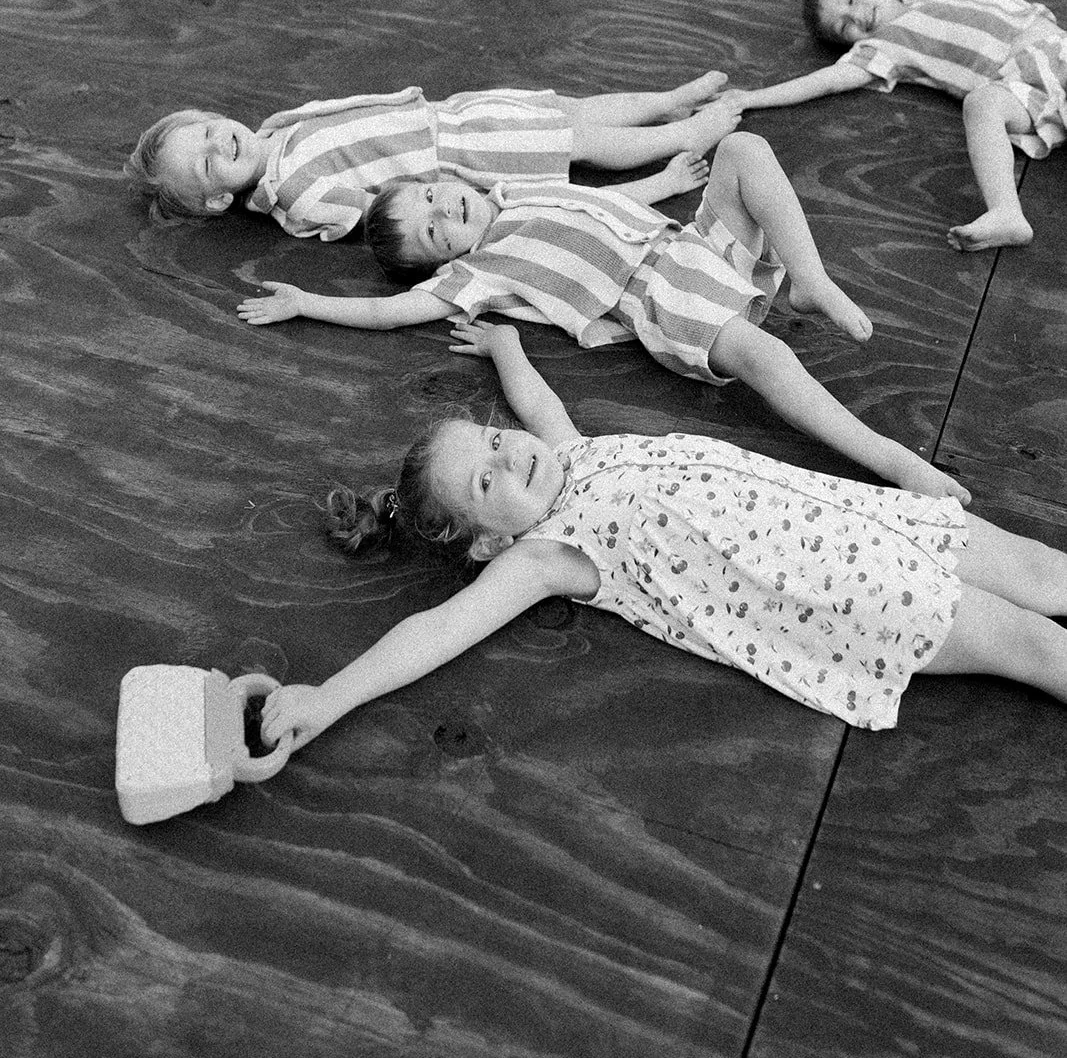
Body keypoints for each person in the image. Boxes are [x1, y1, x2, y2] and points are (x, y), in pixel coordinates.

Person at [259, 320, 1067, 753]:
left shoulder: (564, 454)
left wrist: (504, 343)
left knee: (1041, 570)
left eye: (495, 440)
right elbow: (434, 630)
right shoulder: (545, 557)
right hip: (840, 594)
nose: (511, 456)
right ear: (484, 546)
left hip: (858, 517)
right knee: (1030, 644)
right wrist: (327, 698)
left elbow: (538, 406)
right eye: (486, 481)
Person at [237, 134, 968, 503]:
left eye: (432, 196)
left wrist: (666, 181)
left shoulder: (512, 187)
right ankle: (894, 464)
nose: (444, 212)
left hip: (688, 242)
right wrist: (308, 303)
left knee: (743, 148)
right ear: (441, 261)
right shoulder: (476, 271)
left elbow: (600, 200)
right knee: (768, 360)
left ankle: (808, 282)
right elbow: (390, 311)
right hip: (659, 295)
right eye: (434, 231)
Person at [729, 0, 1067, 252]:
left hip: (1054, 49)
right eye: (845, 26)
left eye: (851, 0)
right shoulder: (882, 48)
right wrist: (751, 98)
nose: (857, 16)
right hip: (1024, 85)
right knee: (981, 104)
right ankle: (1006, 211)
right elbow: (825, 82)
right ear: (850, 45)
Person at [124, 74, 738, 239]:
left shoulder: (274, 128)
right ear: (219, 198)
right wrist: (447, 192)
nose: (218, 144)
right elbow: (382, 212)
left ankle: (666, 101)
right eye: (208, 163)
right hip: (456, 153)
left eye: (207, 131)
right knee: (579, 146)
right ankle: (682, 139)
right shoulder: (294, 192)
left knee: (570, 112)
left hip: (450, 114)